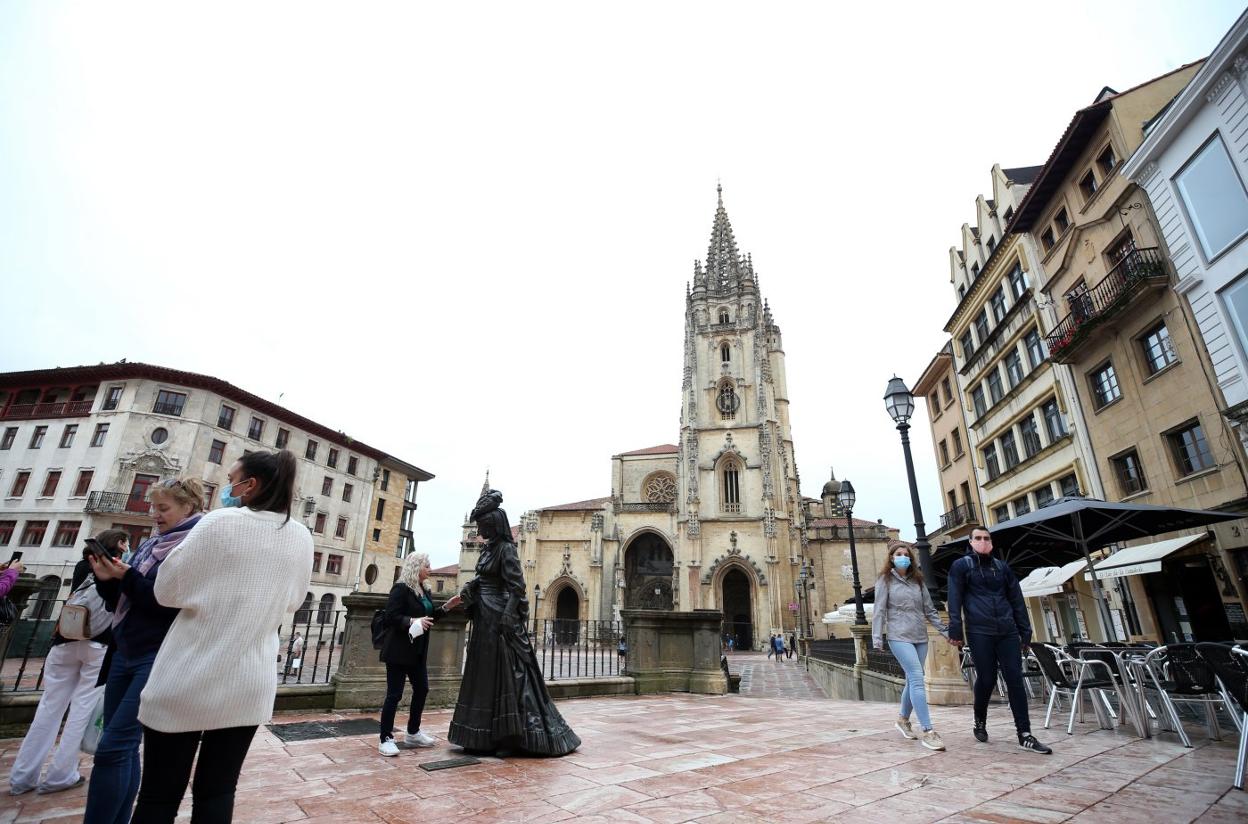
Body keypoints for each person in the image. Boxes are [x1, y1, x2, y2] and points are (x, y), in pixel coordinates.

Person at [127, 450, 313, 822]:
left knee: (159, 795)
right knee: (218, 791)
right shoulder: (301, 535)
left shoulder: (220, 521)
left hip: (188, 676)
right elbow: (293, 601)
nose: (228, 488)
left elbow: (167, 591)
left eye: (231, 480)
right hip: (248, 683)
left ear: (251, 485)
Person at [85, 480, 204, 824]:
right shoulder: (151, 544)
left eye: (163, 509)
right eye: (154, 507)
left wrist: (128, 578)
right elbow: (123, 602)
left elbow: (171, 603)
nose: (155, 515)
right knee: (121, 747)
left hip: (157, 654)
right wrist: (109, 578)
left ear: (188, 508)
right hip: (124, 650)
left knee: (111, 749)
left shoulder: (193, 546)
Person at [448, 489, 580, 756]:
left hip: (499, 619)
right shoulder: (488, 550)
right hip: (484, 619)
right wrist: (469, 588)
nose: (480, 529)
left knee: (508, 677)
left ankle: (509, 737)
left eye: (484, 524)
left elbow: (517, 586)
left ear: (494, 524)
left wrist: (509, 617)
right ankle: (481, 736)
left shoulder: (507, 549)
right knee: (484, 677)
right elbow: (483, 578)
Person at [9, 530, 128, 796]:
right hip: (99, 645)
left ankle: (22, 776)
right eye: (125, 542)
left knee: (49, 707)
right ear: (119, 545)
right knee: (81, 710)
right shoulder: (118, 568)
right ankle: (61, 774)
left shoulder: (82, 565)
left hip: (65, 640)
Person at [947, 525, 1052, 755]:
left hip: (1007, 630)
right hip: (979, 630)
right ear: (970, 541)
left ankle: (1024, 733)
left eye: (986, 538)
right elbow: (954, 598)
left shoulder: (1002, 568)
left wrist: (1025, 631)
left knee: (1015, 679)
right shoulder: (961, 566)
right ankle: (980, 720)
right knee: (987, 678)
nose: (983, 541)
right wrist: (955, 629)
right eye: (978, 538)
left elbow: (1016, 599)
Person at [378, 551, 459, 756]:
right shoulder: (401, 589)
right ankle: (385, 738)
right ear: (416, 567)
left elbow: (429, 618)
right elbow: (391, 617)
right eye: (427, 565)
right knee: (394, 695)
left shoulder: (424, 589)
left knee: (422, 689)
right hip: (398, 650)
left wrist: (447, 607)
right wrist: (412, 622)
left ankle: (413, 732)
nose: (430, 569)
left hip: (417, 650)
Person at [872, 543, 948, 751]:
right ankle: (928, 731)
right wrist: (877, 637)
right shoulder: (884, 580)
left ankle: (903, 720)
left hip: (919, 635)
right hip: (898, 635)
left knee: (911, 679)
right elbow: (879, 610)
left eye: (906, 554)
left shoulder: (918, 580)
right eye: (899, 554)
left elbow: (930, 610)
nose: (903, 557)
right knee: (917, 677)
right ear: (891, 558)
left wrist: (945, 631)